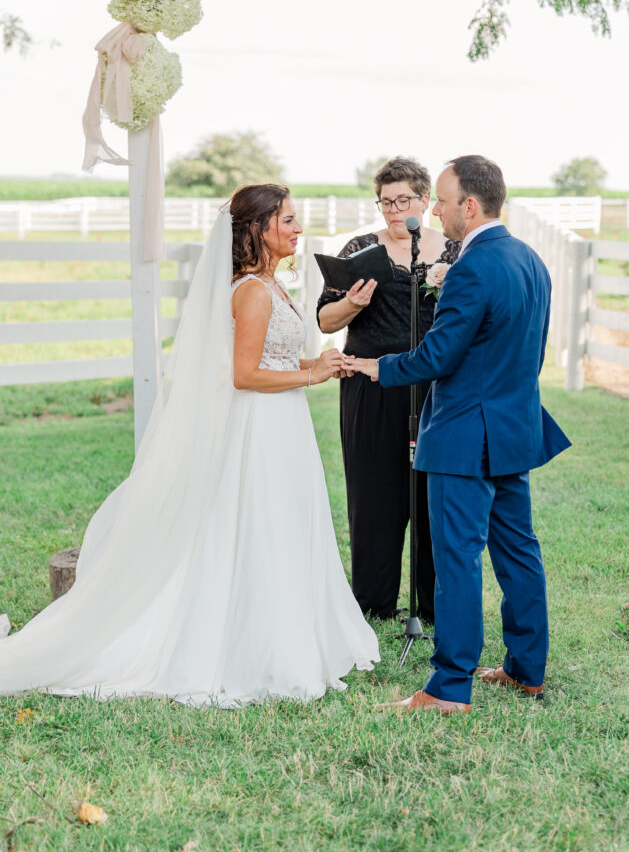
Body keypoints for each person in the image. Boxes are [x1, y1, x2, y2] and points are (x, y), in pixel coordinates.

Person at [0, 184, 379, 707]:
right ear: (259, 228)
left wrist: (315, 365)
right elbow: (244, 375)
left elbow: (272, 361)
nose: (297, 229)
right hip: (258, 428)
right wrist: (312, 374)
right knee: (257, 525)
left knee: (281, 525)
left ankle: (289, 630)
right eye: (287, 220)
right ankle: (251, 645)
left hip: (281, 425)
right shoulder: (250, 291)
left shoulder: (274, 286)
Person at [346, 156, 570, 714]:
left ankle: (448, 687)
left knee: (457, 559)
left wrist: (375, 367)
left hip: (465, 433)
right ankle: (526, 669)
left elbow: (438, 356)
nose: (437, 212)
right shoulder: (530, 260)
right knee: (519, 552)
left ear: (469, 207)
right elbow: (532, 350)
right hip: (513, 428)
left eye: (442, 202)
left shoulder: (471, 266)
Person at [317, 157, 459, 624]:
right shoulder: (359, 249)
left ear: (424, 201)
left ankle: (433, 604)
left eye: (403, 201)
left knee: (430, 494)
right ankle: (373, 602)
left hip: (433, 386)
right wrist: (353, 304)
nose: (393, 211)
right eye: (385, 202)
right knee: (373, 494)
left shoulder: (454, 251)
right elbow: (325, 320)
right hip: (369, 384)